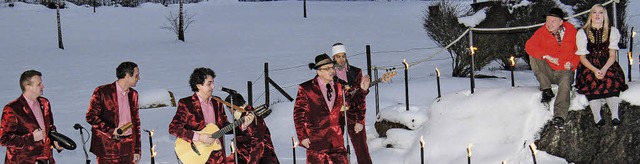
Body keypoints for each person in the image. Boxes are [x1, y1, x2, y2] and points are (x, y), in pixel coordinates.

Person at [294, 53, 369, 163]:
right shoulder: (306, 88)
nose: (332, 71)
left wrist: (362, 90)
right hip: (316, 142)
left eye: (332, 67)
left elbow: (352, 103)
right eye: (327, 68)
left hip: (336, 142)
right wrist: (303, 136)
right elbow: (298, 114)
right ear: (319, 71)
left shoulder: (339, 86)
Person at [169, 67, 255, 164]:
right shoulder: (186, 103)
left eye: (213, 83)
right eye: (209, 83)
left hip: (217, 156)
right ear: (198, 86)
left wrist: (242, 125)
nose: (213, 86)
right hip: (195, 155)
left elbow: (224, 126)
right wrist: (199, 137)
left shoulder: (217, 102)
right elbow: (174, 128)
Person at [575, 4, 628, 127]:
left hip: (607, 63)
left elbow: (612, 55)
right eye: (594, 12)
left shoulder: (612, 31)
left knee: (610, 79)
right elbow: (582, 57)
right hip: (589, 65)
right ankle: (597, 117)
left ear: (604, 15)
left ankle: (615, 115)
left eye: (600, 12)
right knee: (592, 81)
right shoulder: (582, 33)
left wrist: (604, 69)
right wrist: (594, 70)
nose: (597, 15)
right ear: (590, 15)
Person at [525, 8, 579, 128]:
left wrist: (572, 64)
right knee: (534, 55)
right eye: (547, 21)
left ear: (561, 22)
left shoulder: (572, 31)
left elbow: (579, 52)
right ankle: (546, 89)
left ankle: (559, 116)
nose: (549, 24)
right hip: (548, 70)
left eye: (553, 21)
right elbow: (529, 46)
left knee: (565, 84)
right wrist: (546, 56)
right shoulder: (541, 32)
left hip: (564, 70)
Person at [1, 70, 63, 163]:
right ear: (28, 87)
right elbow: (4, 138)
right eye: (39, 84)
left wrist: (55, 140)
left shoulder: (45, 103)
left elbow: (49, 127)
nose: (43, 86)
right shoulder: (12, 109)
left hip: (45, 159)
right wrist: (31, 138)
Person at [86, 61, 142, 163]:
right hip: (107, 147)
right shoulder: (102, 91)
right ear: (127, 76)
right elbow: (91, 116)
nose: (139, 78)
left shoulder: (133, 95)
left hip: (128, 148)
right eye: (136, 75)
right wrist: (112, 130)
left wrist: (137, 149)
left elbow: (136, 123)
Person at [332, 43, 372, 164]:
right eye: (338, 56)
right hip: (335, 116)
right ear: (333, 58)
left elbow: (361, 98)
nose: (341, 59)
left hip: (354, 114)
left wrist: (360, 121)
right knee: (335, 150)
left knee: (362, 149)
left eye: (343, 56)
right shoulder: (328, 74)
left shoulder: (356, 72)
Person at [223, 93, 279, 164]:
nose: (229, 111)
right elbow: (234, 129)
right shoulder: (241, 116)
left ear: (232, 107)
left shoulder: (253, 118)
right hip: (245, 156)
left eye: (228, 108)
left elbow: (258, 143)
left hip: (261, 157)